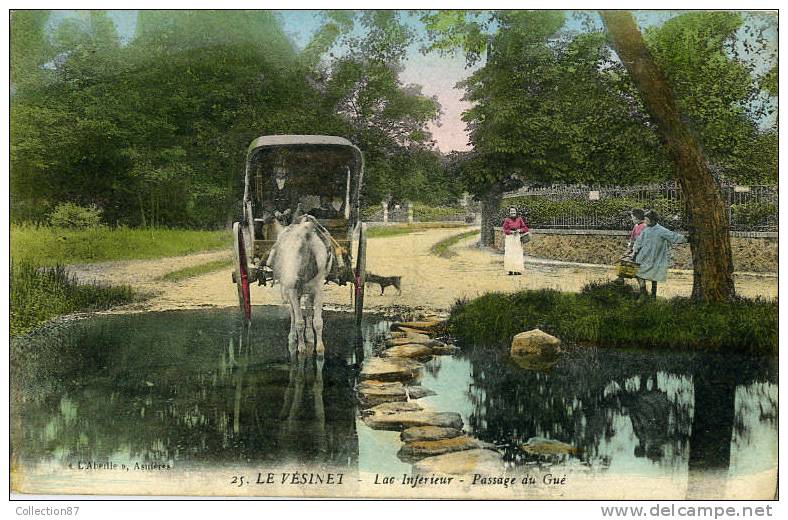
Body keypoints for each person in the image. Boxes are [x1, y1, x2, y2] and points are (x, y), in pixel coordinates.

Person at [631, 210, 686, 300]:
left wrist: (686, 239)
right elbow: (638, 242)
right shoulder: (646, 229)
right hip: (644, 256)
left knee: (654, 276)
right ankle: (643, 293)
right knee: (638, 273)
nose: (645, 221)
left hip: (656, 257)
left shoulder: (661, 230)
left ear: (652, 220)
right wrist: (634, 252)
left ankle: (653, 295)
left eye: (646, 219)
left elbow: (673, 237)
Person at [502, 207, 530, 276]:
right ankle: (510, 270)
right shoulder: (507, 220)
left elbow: (525, 228)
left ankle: (518, 270)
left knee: (518, 254)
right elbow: (504, 230)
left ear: (516, 212)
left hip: (517, 238)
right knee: (510, 254)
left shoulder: (519, 219)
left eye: (514, 211)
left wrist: (519, 230)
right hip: (510, 239)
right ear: (509, 212)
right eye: (511, 211)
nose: (513, 213)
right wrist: (511, 231)